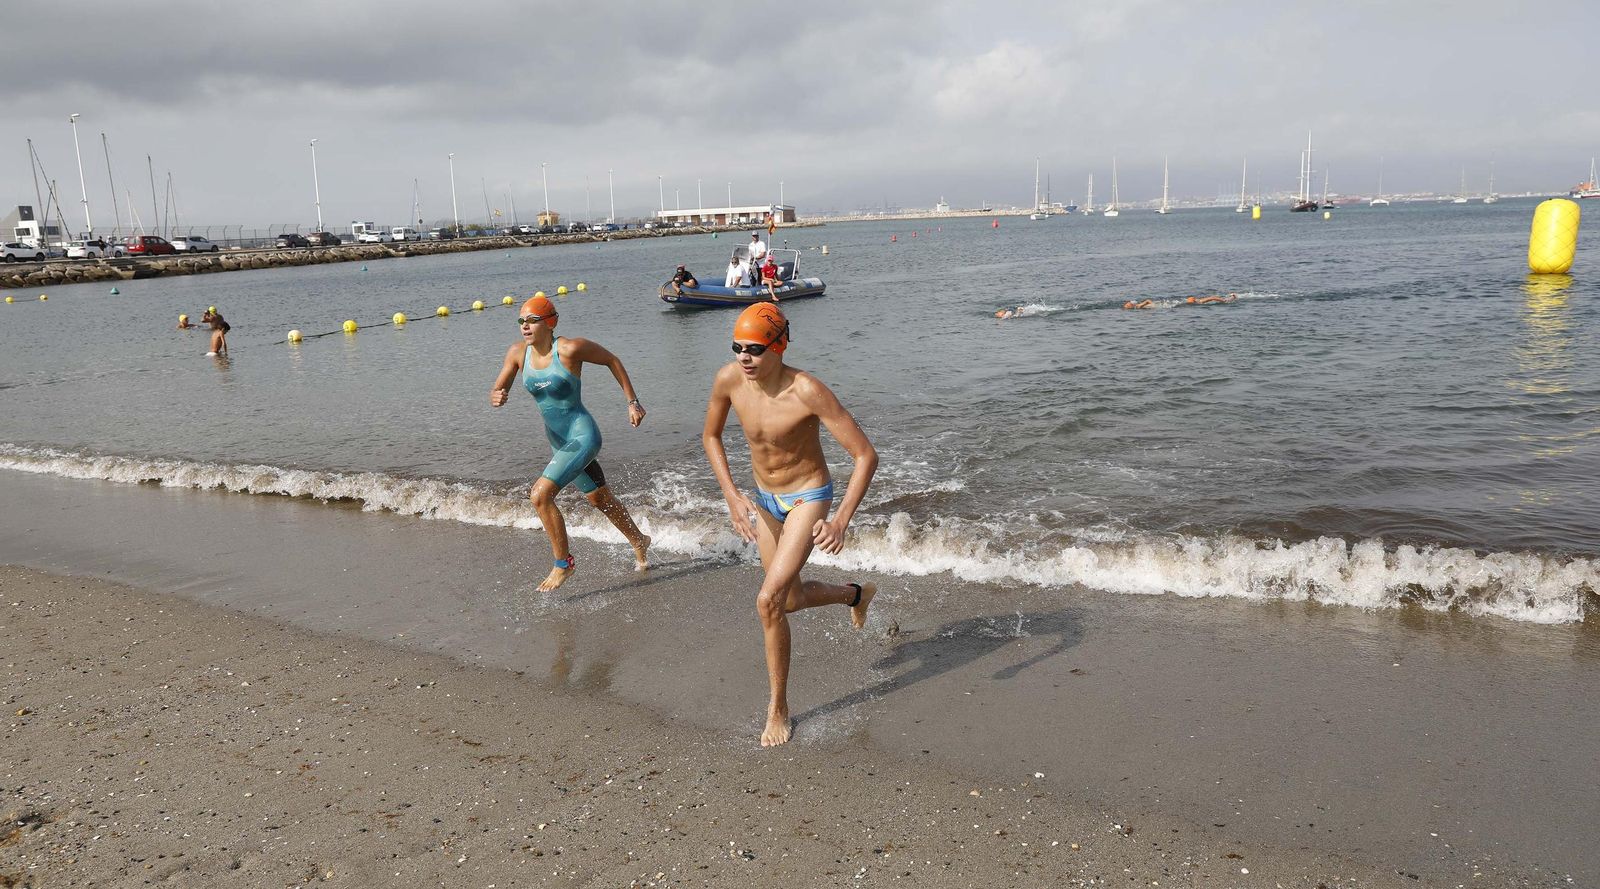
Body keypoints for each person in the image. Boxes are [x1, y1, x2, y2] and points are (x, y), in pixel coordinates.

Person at [702, 303, 879, 747]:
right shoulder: (729, 380)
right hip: (763, 499)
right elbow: (710, 435)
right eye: (738, 347)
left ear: (779, 345)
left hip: (807, 497)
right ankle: (856, 594)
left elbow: (865, 456)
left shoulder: (807, 391)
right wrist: (731, 494)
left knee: (768, 601)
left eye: (756, 349)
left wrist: (839, 520)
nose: (745, 357)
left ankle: (778, 707)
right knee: (792, 599)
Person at [489, 295, 652, 591]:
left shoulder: (569, 349)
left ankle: (563, 564)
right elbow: (499, 386)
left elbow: (612, 360)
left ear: (550, 322)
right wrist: (498, 395)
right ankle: (639, 539)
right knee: (598, 499)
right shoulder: (517, 353)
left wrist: (633, 402)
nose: (525, 326)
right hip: (558, 442)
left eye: (532, 320)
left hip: (582, 436)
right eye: (521, 321)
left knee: (540, 495)